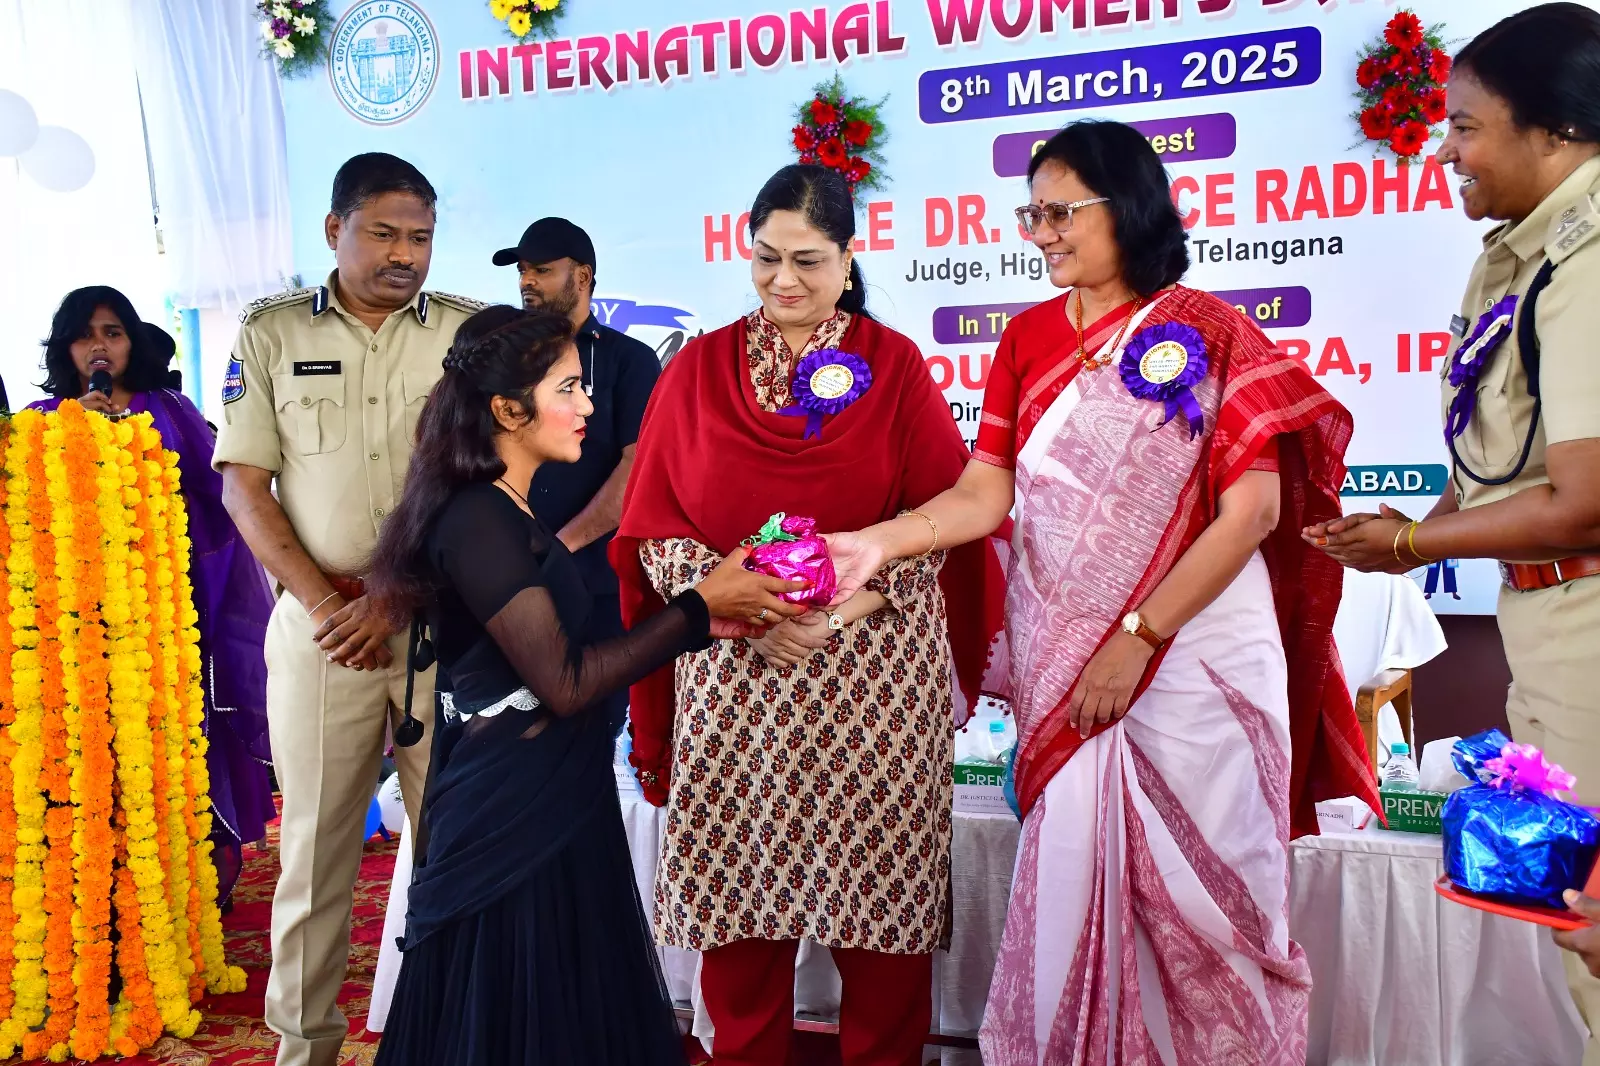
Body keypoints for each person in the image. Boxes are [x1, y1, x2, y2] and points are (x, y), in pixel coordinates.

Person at [825, 121, 1378, 1063]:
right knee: (1075, 887)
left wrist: (1138, 636)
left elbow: (1250, 513)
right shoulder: (1029, 336)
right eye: (1029, 212)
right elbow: (985, 489)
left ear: (1127, 206)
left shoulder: (1209, 329)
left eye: (1058, 212)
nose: (1038, 231)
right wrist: (878, 541)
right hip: (1069, 665)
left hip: (1195, 658)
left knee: (1218, 909)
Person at [613, 164, 1006, 1065]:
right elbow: (654, 531)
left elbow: (940, 523)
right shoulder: (700, 369)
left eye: (808, 260)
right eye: (765, 258)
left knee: (883, 935)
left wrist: (829, 613)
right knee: (742, 934)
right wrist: (748, 609)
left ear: (849, 257)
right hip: (735, 681)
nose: (783, 280)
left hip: (873, 680)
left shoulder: (894, 365)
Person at [365, 305, 806, 1066]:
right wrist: (701, 608)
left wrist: (714, 616)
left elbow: (566, 660)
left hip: (550, 796)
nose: (589, 408)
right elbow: (565, 683)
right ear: (508, 409)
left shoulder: (507, 509)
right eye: (568, 389)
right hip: (511, 815)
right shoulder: (479, 520)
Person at [1306, 6, 1600, 1055]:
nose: (1447, 150)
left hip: (1586, 615)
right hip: (1546, 618)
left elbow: (1584, 498)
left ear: (1554, 132)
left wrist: (1412, 549)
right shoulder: (1513, 255)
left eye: (1468, 126)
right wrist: (1411, 525)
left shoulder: (1590, 256)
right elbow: (1498, 456)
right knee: (1574, 924)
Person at [213, 153, 483, 1066]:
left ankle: (453, 1040)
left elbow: (496, 483)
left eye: (420, 238)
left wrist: (398, 593)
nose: (404, 255)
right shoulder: (272, 334)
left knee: (455, 853)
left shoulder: (467, 336)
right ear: (336, 231)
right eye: (384, 233)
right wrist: (333, 603)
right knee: (316, 859)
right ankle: (305, 1049)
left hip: (446, 624)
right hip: (323, 632)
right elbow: (246, 490)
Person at [28, 285, 274, 904]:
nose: (99, 347)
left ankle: (198, 877)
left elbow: (221, 500)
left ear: (131, 342)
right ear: (67, 348)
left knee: (184, 741)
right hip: (80, 625)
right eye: (85, 335)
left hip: (173, 614)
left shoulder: (168, 408)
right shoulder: (39, 421)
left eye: (112, 332)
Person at [492, 217, 660, 734]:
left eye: (542, 269)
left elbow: (638, 469)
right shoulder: (501, 360)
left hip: (595, 585)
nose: (526, 281)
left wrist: (558, 549)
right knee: (507, 736)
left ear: (583, 276)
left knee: (588, 738)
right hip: (505, 580)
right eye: (522, 270)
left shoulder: (628, 361)